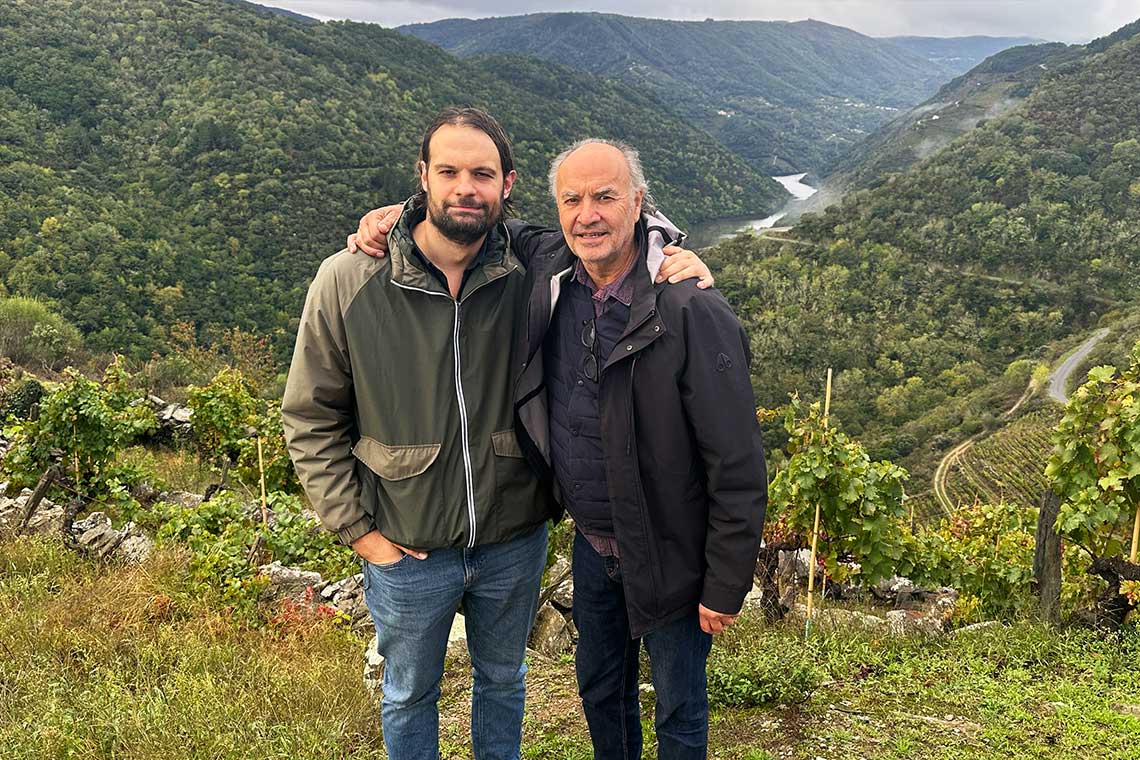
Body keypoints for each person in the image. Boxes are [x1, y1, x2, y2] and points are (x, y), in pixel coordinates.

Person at [283, 108, 711, 760]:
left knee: (504, 681)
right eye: (448, 171)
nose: (465, 188)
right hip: (406, 540)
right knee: (408, 693)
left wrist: (675, 257)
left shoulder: (532, 269)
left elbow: (606, 228)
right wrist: (359, 532)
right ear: (422, 177)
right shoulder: (349, 280)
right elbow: (311, 416)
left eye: (482, 174)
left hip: (513, 535)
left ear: (507, 184)